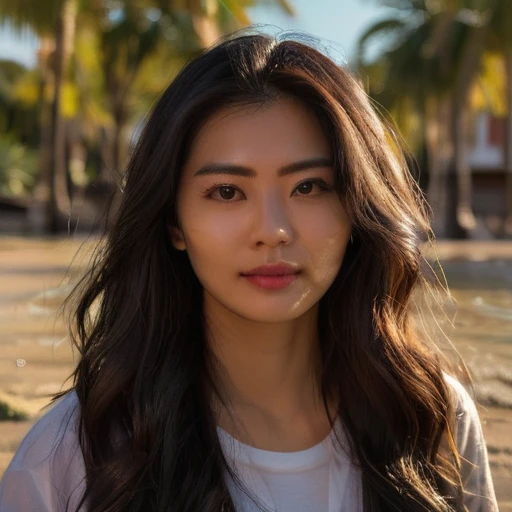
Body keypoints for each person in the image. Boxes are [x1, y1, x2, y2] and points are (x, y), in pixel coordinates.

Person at [0, 31, 499, 512]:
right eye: (226, 192)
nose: (273, 231)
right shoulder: (74, 454)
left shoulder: (433, 421)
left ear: (356, 208)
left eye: (309, 187)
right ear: (174, 220)